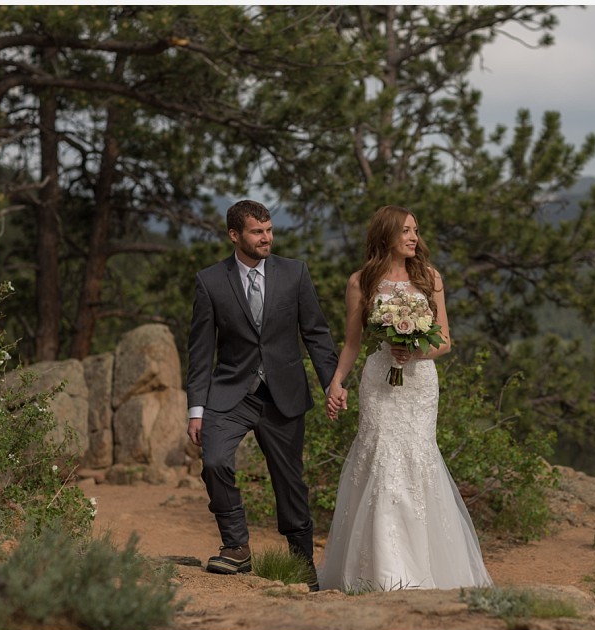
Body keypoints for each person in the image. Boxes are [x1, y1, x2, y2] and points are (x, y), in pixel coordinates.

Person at [317, 205, 493, 591]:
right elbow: (351, 343)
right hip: (380, 381)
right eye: (406, 231)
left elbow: (444, 341)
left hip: (419, 384)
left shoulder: (430, 278)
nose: (414, 237)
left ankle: (423, 568)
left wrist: (414, 351)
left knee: (416, 461)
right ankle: (380, 569)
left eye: (416, 230)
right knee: (379, 457)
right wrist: (336, 383)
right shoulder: (361, 282)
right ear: (386, 235)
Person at [186, 199, 345, 590]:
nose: (266, 238)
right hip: (230, 394)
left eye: (269, 230)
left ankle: (302, 563)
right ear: (234, 235)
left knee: (289, 482)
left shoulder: (295, 274)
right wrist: (196, 408)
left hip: (284, 395)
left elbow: (316, 334)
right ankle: (237, 547)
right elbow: (201, 350)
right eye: (257, 232)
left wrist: (332, 382)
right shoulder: (210, 281)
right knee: (216, 461)